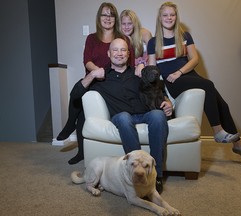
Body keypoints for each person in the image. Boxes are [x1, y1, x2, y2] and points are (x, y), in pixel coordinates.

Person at [147, 1, 241, 166]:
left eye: (172, 14)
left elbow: (195, 59)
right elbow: (153, 69)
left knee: (223, 105)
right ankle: (218, 131)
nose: (169, 18)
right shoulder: (154, 42)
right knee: (209, 85)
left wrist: (180, 72)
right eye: (165, 15)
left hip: (187, 75)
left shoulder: (185, 36)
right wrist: (163, 86)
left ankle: (238, 145)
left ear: (176, 17)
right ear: (159, 18)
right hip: (171, 81)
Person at [70, 38, 173, 193]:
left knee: (158, 115)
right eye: (115, 50)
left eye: (123, 50)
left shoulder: (138, 72)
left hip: (144, 114)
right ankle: (135, 172)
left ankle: (156, 175)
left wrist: (167, 102)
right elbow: (75, 94)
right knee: (124, 116)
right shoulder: (101, 77)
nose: (119, 53)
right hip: (121, 117)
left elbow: (159, 90)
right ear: (109, 53)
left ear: (128, 53)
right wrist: (92, 75)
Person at [56, 2, 135, 165]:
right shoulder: (92, 38)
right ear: (99, 18)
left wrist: (108, 74)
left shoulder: (123, 39)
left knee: (85, 115)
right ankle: (75, 136)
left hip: (111, 81)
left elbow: (130, 62)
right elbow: (87, 61)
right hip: (94, 78)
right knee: (80, 101)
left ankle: (76, 137)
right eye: (104, 14)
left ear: (115, 18)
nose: (108, 18)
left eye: (111, 15)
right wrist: (96, 72)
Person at [120, 9, 152, 77]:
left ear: (134, 24)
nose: (126, 27)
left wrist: (142, 64)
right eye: (123, 24)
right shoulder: (119, 39)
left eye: (129, 23)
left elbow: (152, 57)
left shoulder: (145, 34)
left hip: (146, 71)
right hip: (128, 74)